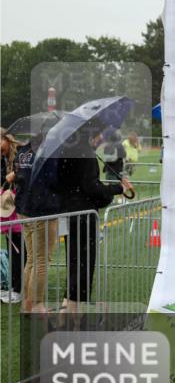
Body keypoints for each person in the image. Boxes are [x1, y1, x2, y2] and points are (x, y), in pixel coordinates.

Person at [56, 126, 133, 317]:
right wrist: (117, 189)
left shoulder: (64, 153)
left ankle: (69, 306)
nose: (100, 138)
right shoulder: (86, 155)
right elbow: (92, 189)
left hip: (68, 212)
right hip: (84, 215)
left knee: (73, 261)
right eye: (99, 135)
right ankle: (73, 311)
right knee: (84, 263)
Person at [14, 124, 61, 314]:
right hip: (41, 210)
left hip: (24, 208)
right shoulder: (48, 153)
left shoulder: (23, 151)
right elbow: (54, 181)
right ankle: (37, 304)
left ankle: (28, 303)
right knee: (42, 259)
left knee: (32, 259)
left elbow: (20, 176)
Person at [1, 129, 24, 304]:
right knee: (13, 248)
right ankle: (15, 287)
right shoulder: (2, 158)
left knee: (20, 249)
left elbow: (28, 174)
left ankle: (18, 289)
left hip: (21, 209)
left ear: (7, 139)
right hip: (8, 211)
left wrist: (15, 175)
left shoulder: (21, 154)